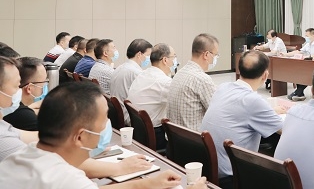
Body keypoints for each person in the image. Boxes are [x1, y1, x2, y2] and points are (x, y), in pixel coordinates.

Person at [0, 81, 208, 189]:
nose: (106, 128)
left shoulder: (24, 156)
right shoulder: (64, 179)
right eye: (103, 123)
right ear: (80, 137)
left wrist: (146, 184)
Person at [201, 50, 285, 189]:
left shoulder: (223, 87)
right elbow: (284, 130)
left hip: (210, 167)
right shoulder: (253, 101)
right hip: (231, 176)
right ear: (265, 75)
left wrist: (270, 111)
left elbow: (239, 111)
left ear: (239, 70)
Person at [128, 43, 176, 151]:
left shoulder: (143, 74)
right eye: (174, 57)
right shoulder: (164, 82)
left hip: (139, 132)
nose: (175, 61)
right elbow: (179, 103)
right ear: (165, 60)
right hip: (156, 135)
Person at [167, 33, 218, 131]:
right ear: (206, 55)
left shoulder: (179, 73)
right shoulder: (202, 79)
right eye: (215, 55)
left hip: (176, 137)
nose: (215, 59)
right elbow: (218, 114)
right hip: (195, 138)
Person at [0, 56, 37, 161]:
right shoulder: (2, 139)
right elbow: (38, 163)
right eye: (16, 86)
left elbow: (27, 136)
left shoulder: (2, 125)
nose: (19, 91)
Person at [110, 38, 151, 125]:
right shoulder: (137, 73)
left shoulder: (119, 67)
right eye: (148, 55)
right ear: (139, 54)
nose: (149, 58)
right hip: (128, 117)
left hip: (116, 115)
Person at [3, 57, 48, 131]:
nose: (45, 85)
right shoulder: (23, 116)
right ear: (29, 88)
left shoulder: (12, 108)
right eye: (44, 82)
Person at [286, 28, 314, 101]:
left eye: (307, 36)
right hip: (311, 65)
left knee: (306, 74)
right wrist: (286, 54)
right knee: (299, 72)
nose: (306, 37)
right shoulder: (308, 44)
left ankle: (298, 93)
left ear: (313, 35)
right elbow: (299, 51)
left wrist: (308, 56)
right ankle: (300, 93)